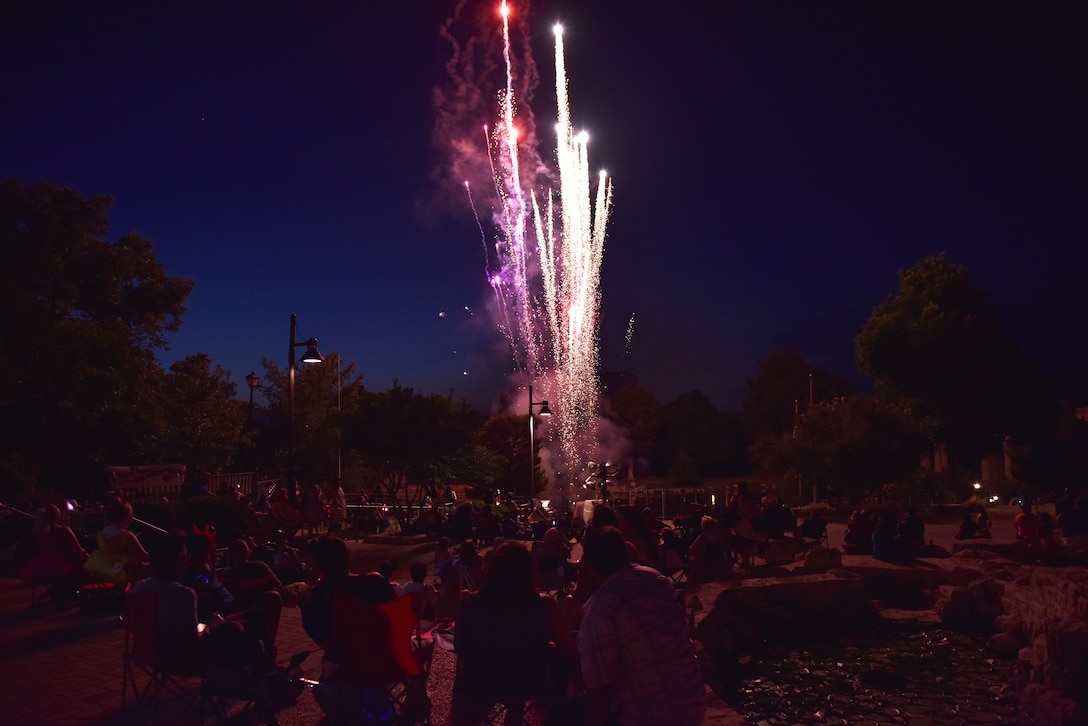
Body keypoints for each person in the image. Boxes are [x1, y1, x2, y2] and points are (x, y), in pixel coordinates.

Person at [574, 527, 706, 726]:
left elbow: (600, 691)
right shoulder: (656, 580)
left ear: (589, 564)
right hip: (694, 705)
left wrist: (580, 589)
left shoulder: (601, 609)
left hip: (651, 717)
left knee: (560, 715)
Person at [452, 542, 578, 725]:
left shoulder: (469, 604)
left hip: (479, 682)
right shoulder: (544, 606)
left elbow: (459, 646)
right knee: (557, 659)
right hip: (529, 681)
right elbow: (570, 651)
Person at [20, 504, 90, 603]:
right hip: (61, 566)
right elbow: (78, 549)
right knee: (84, 563)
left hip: (45, 566)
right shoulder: (63, 531)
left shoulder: (41, 533)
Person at [83, 498, 149, 585]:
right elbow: (143, 556)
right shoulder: (127, 535)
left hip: (104, 573)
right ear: (126, 516)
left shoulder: (103, 534)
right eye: (131, 514)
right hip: (122, 575)